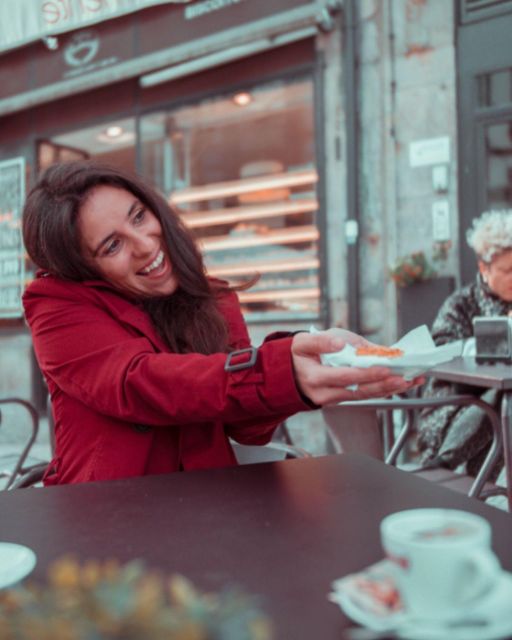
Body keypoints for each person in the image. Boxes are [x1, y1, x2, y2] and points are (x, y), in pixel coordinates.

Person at [22, 161, 418, 485]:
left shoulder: (213, 297)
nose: (145, 245)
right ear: (82, 267)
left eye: (139, 217)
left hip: (211, 506)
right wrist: (279, 371)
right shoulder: (55, 305)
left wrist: (304, 374)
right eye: (112, 245)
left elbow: (245, 431)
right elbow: (137, 382)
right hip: (107, 520)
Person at [417, 209, 512, 479]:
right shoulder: (461, 304)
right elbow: (442, 350)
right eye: (507, 270)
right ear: (484, 267)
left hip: (501, 407)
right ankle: (447, 465)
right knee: (505, 399)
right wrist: (488, 344)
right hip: (452, 407)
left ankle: (479, 490)